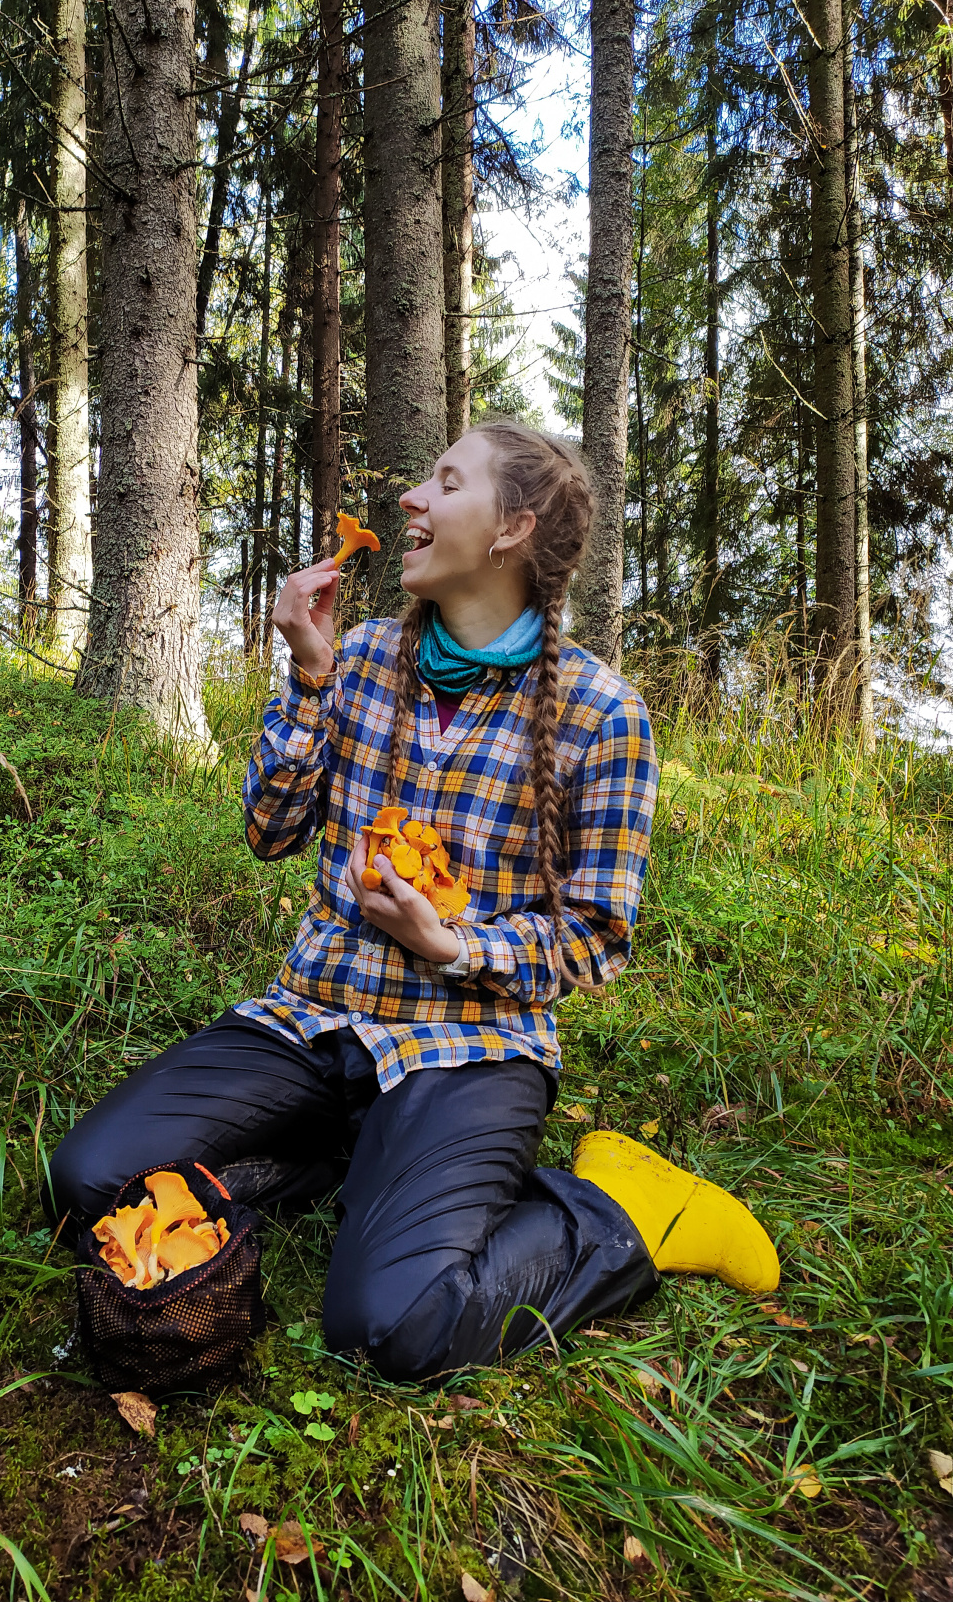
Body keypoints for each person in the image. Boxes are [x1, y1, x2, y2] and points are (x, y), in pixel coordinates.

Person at [46, 419, 778, 1382]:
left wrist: (454, 946)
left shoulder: (601, 715)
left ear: (511, 528)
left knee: (392, 1328)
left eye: (443, 483)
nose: (408, 503)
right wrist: (307, 675)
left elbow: (594, 938)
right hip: (314, 1020)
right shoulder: (354, 660)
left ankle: (627, 1211)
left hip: (468, 1044)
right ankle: (357, 1163)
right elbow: (270, 833)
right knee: (83, 1184)